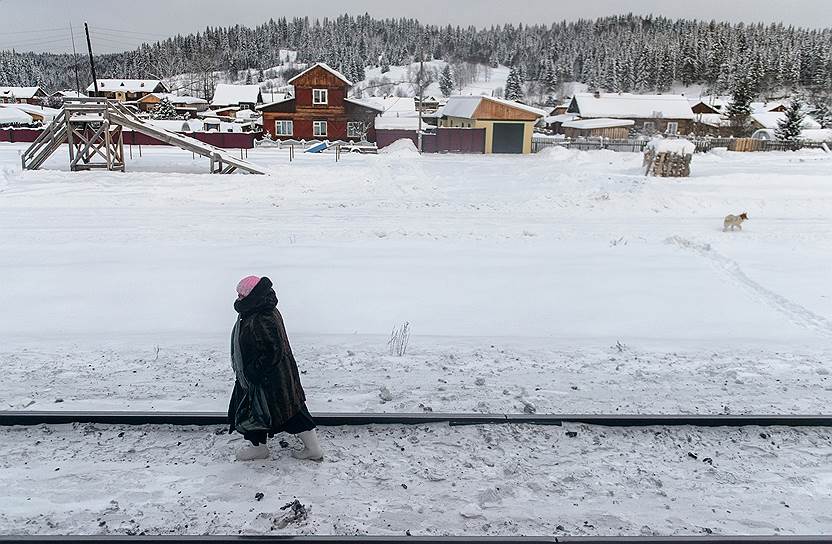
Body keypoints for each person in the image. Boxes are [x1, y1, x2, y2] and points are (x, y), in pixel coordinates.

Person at [228, 275, 323, 462]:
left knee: (285, 413)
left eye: (242, 293)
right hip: (268, 377)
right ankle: (261, 448)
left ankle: (311, 449)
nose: (238, 297)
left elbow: (273, 350)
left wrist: (254, 372)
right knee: (264, 411)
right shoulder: (258, 309)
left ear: (253, 295)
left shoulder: (262, 316)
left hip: (270, 380)